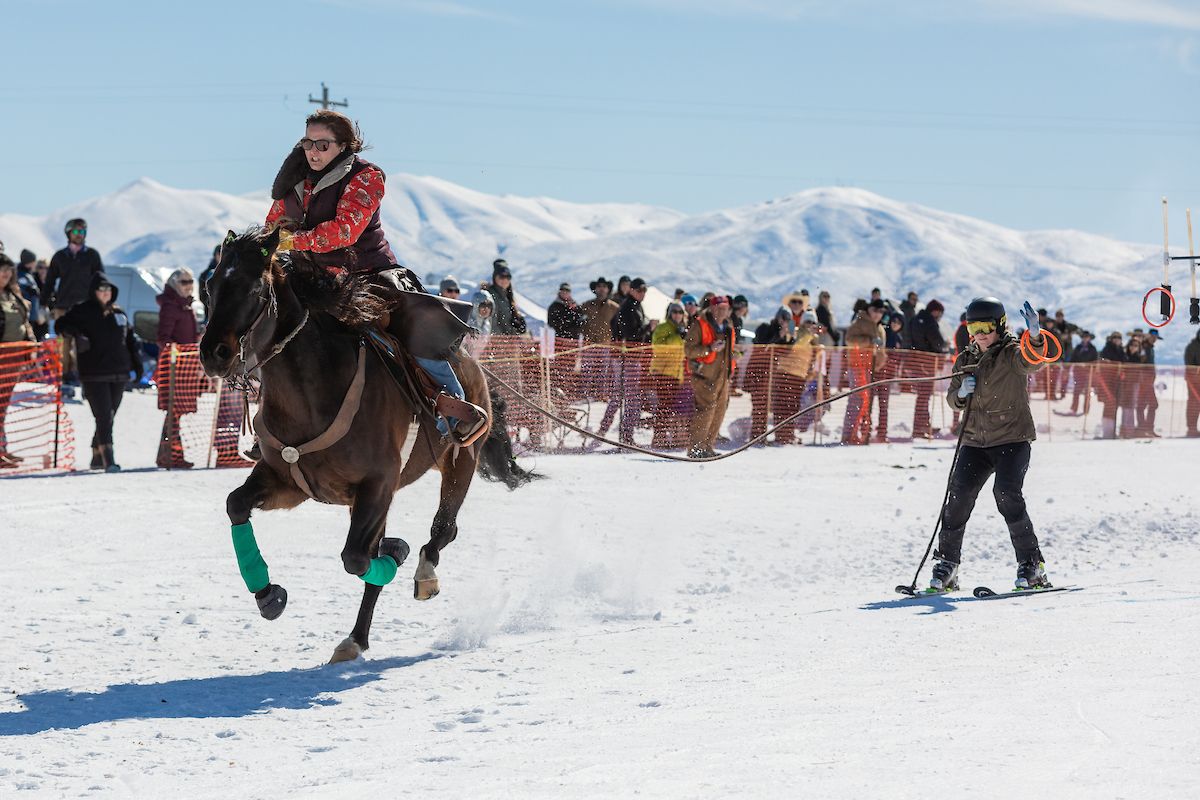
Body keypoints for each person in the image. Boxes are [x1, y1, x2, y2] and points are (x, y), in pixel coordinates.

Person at [265, 109, 486, 444]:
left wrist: (291, 240)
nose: (313, 150)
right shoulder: (293, 181)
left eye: (322, 144)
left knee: (414, 328)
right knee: (266, 324)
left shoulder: (366, 176)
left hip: (366, 273)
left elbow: (345, 231)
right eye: (308, 142)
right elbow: (273, 224)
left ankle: (455, 410)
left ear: (343, 146)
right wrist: (261, 244)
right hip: (310, 278)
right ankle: (272, 417)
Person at [929, 298, 1051, 593]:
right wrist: (961, 392)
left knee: (1007, 494)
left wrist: (1035, 337)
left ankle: (1032, 565)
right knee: (957, 499)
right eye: (974, 326)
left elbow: (1031, 361)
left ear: (999, 325)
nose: (980, 333)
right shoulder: (965, 358)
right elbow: (952, 399)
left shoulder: (1011, 353)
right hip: (975, 442)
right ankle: (947, 565)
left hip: (1012, 439)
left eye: (986, 326)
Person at [53, 272, 142, 472]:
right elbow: (60, 325)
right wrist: (75, 333)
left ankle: (96, 454)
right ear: (94, 292)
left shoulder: (119, 313)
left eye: (108, 289)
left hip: (119, 372)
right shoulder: (82, 310)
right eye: (101, 289)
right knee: (104, 416)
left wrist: (137, 365)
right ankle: (108, 459)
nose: (105, 293)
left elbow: (131, 342)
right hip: (94, 372)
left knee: (110, 414)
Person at [42, 218, 104, 387]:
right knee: (63, 344)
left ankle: (80, 376)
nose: (80, 235)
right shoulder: (60, 256)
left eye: (83, 232)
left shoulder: (92, 255)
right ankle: (64, 376)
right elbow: (49, 282)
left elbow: (101, 280)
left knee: (83, 344)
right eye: (76, 232)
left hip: (86, 308)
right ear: (68, 233)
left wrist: (102, 304)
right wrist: (43, 304)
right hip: (63, 307)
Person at [595, 277, 655, 444]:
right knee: (631, 398)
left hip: (627, 357)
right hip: (625, 358)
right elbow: (631, 335)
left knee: (619, 396)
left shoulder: (634, 306)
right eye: (640, 290)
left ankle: (605, 430)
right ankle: (625, 434)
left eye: (645, 290)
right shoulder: (628, 308)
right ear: (632, 290)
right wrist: (648, 328)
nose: (643, 293)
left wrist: (647, 333)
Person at [155, 268, 200, 469]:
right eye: (183, 281)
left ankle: (168, 454)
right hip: (174, 368)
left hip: (186, 367)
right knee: (173, 412)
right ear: (174, 284)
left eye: (190, 281)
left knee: (175, 414)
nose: (188, 285)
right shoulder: (171, 306)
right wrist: (177, 352)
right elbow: (163, 338)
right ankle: (170, 455)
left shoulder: (186, 306)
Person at [684, 295, 735, 458]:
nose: (723, 311)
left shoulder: (727, 327)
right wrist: (709, 348)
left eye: (725, 308)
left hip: (722, 377)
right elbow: (689, 350)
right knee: (705, 411)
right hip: (704, 376)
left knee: (719, 412)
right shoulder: (699, 325)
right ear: (712, 308)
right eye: (719, 308)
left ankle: (707, 447)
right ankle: (696, 449)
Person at [0, 255, 37, 468]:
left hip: (14, 360)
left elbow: (25, 324)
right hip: (2, 357)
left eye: (8, 269)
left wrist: (31, 345)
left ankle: (3, 449)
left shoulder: (12, 295)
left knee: (3, 407)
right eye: (1, 269)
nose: (5, 273)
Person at [841, 299, 886, 444]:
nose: (877, 314)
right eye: (875, 310)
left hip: (870, 368)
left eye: (880, 312)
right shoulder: (860, 322)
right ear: (869, 310)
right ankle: (848, 435)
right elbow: (849, 340)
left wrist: (880, 360)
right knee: (857, 399)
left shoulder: (879, 328)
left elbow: (880, 350)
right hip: (857, 365)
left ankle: (863, 434)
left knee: (867, 402)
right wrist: (869, 341)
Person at [648, 302, 691, 449]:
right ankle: (658, 438)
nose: (677, 314)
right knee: (663, 407)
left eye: (680, 312)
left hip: (675, 373)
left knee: (668, 407)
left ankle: (663, 436)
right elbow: (659, 348)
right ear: (669, 313)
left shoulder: (682, 330)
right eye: (675, 312)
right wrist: (678, 336)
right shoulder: (663, 328)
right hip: (663, 372)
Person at [909, 298, 947, 439]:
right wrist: (942, 347)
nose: (939, 317)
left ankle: (924, 424)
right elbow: (937, 341)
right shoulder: (929, 321)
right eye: (940, 313)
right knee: (924, 396)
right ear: (935, 311)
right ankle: (919, 428)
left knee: (923, 395)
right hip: (928, 362)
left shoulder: (915, 319)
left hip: (916, 361)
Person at [580, 276, 620, 400]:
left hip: (606, 344)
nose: (601, 289)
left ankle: (602, 395)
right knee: (587, 371)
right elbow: (579, 322)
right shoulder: (586, 305)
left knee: (604, 371)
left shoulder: (614, 307)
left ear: (608, 289)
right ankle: (584, 395)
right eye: (599, 287)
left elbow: (619, 325)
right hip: (589, 343)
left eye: (604, 287)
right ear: (595, 289)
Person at [482, 259, 526, 336]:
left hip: (507, 343)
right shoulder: (490, 296)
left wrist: (518, 325)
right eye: (501, 276)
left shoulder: (507, 296)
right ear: (495, 277)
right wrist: (503, 340)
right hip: (497, 344)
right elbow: (492, 323)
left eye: (508, 277)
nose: (505, 279)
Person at [16, 250, 47, 341]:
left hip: (31, 315)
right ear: (30, 262)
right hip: (26, 315)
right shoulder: (21, 276)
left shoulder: (27, 275)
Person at [1068, 330, 1098, 415]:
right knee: (1076, 391)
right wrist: (1068, 367)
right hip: (1078, 372)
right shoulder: (1078, 347)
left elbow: (1095, 361)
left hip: (1088, 373)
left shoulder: (1093, 348)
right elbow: (1073, 358)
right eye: (1084, 337)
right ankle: (1074, 409)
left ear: (1089, 338)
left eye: (1087, 337)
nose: (1085, 338)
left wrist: (1090, 367)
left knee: (1087, 392)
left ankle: (1086, 410)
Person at [1184, 328, 1200, 438]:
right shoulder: (1192, 346)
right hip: (1194, 380)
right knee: (1194, 404)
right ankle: (1192, 428)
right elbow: (1189, 364)